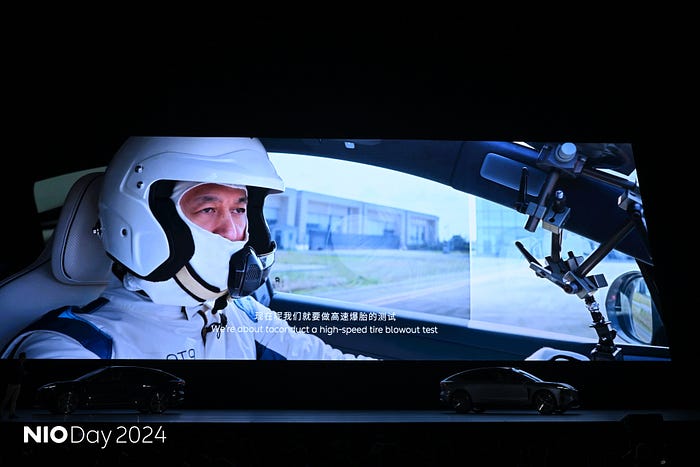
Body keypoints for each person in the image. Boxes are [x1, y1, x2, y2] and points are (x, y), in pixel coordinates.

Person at [1, 137, 372, 360]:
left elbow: (332, 367)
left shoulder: (244, 315)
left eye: (240, 210)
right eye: (208, 209)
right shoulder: (73, 347)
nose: (234, 231)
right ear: (145, 219)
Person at [1, 352, 26, 419]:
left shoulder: (21, 364)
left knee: (14, 400)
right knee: (7, 398)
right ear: (21, 358)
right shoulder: (16, 364)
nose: (25, 359)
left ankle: (11, 414)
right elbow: (13, 373)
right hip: (12, 384)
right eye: (24, 357)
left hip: (18, 384)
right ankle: (1, 412)